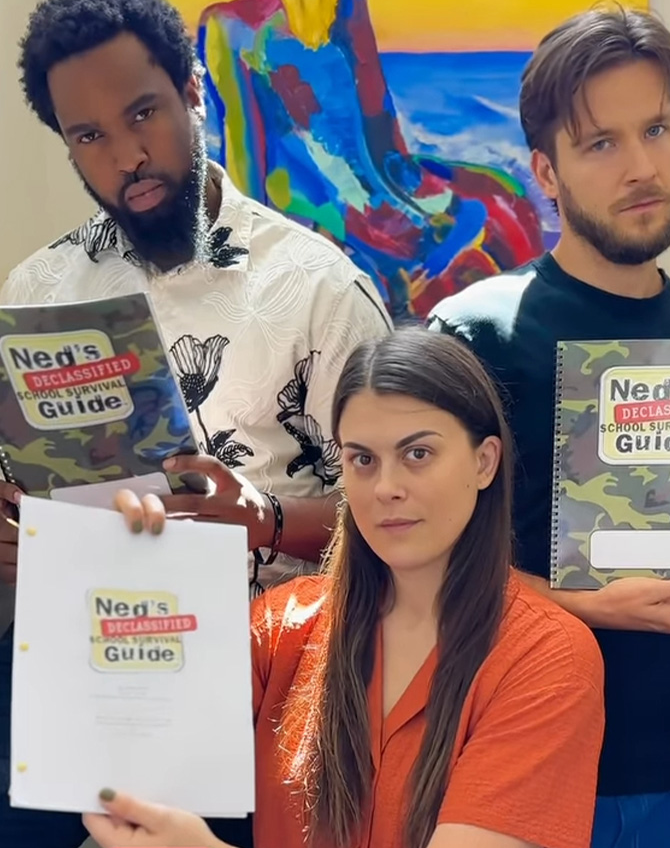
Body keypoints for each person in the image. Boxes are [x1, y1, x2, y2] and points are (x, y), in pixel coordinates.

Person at [0, 0, 391, 848]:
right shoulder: (35, 293)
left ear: (191, 92)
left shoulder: (319, 288)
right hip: (76, 693)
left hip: (264, 703)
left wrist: (265, 517)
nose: (125, 157)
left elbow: (407, 516)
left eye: (143, 114)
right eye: (89, 136)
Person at [82, 327, 604, 848]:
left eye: (418, 454)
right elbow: (125, 755)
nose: (386, 488)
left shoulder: (550, 657)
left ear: (484, 462)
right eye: (362, 459)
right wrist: (132, 575)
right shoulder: (279, 626)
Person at [428, 6, 670, 847]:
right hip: (527, 765)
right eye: (601, 144)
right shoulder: (473, 334)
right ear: (546, 171)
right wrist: (581, 606)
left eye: (657, 127)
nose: (643, 167)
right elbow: (407, 562)